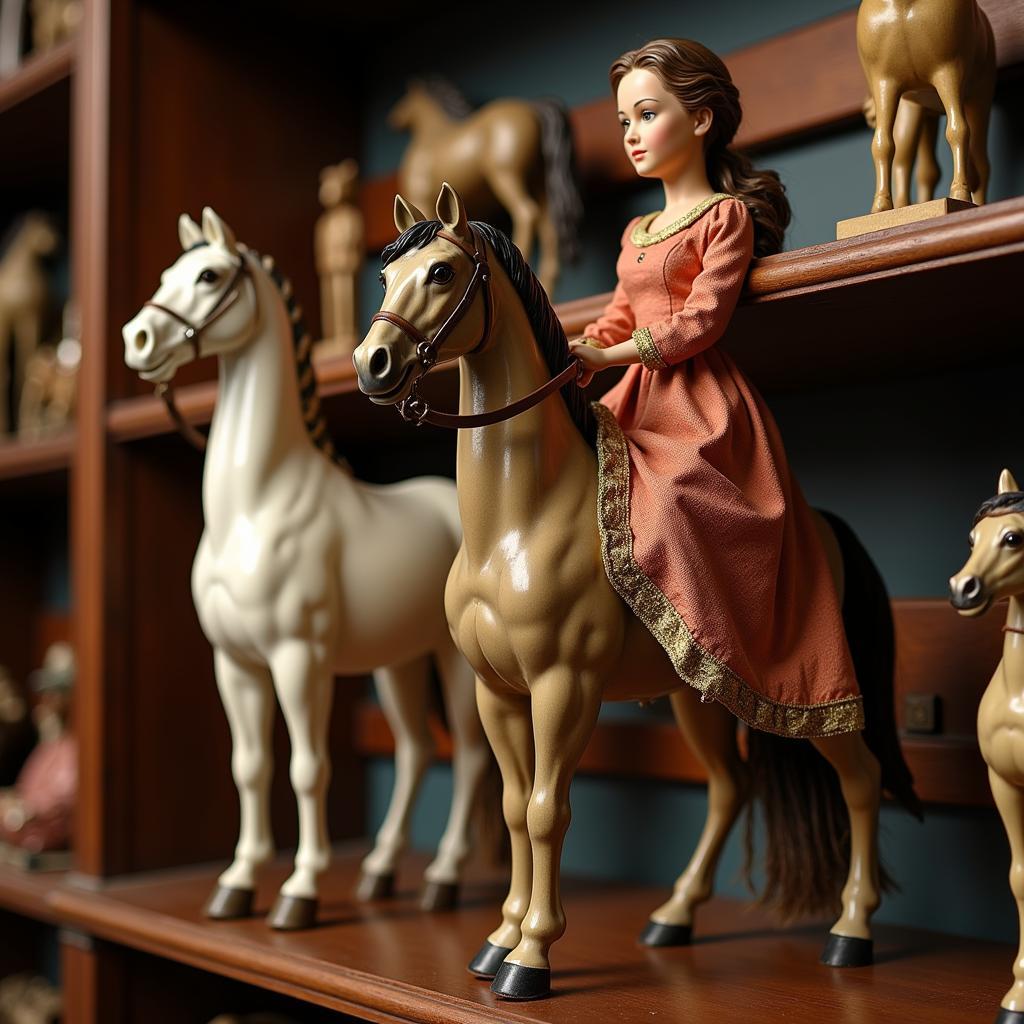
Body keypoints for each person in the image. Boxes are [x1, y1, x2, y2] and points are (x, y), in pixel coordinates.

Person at [568, 38, 864, 739]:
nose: (633, 135)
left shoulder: (723, 217)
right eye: (625, 123)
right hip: (633, 391)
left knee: (674, 494)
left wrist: (616, 352)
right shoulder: (638, 229)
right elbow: (621, 306)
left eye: (646, 114)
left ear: (700, 120)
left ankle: (694, 636)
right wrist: (582, 351)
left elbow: (701, 318)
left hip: (697, 405)